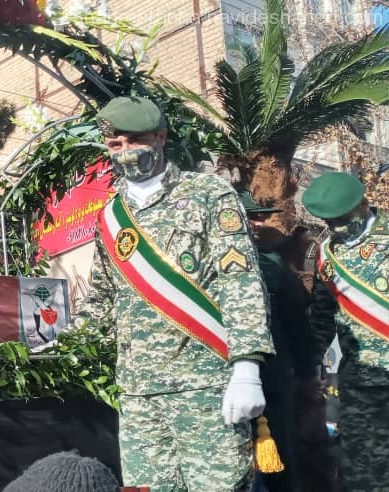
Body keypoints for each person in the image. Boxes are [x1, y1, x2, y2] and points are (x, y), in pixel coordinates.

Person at [75, 96, 275, 491]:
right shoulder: (110, 216)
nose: (125, 151)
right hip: (138, 393)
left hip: (204, 384)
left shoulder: (207, 193)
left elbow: (240, 282)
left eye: (135, 140)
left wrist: (247, 367)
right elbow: (103, 297)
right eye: (115, 144)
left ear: (161, 137)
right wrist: (65, 342)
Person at [304, 172, 388, 492]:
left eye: (343, 218)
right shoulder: (327, 254)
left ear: (363, 204)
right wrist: (318, 365)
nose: (337, 227)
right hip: (361, 382)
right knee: (364, 470)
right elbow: (323, 317)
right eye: (330, 221)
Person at [240, 191, 313, 492]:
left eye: (259, 217)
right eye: (249, 217)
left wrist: (307, 373)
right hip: (217, 382)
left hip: (272, 378)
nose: (257, 223)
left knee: (280, 459)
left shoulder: (273, 265)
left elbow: (296, 324)